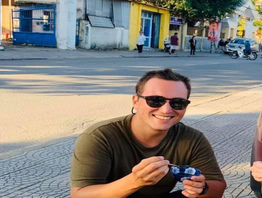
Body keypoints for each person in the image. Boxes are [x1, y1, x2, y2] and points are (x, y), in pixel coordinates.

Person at [70, 69, 227, 198]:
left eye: (177, 103)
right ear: (135, 101)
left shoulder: (192, 139)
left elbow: (217, 186)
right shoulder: (100, 137)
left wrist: (202, 188)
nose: (166, 110)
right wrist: (134, 181)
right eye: (155, 100)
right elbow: (79, 195)